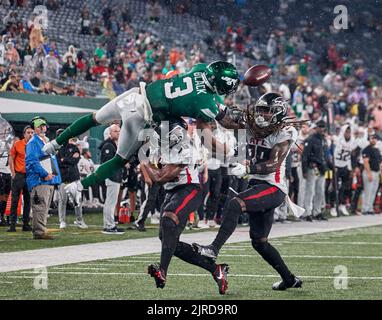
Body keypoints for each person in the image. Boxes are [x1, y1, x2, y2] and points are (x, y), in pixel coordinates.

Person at [42, 61, 241, 199]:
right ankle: (79, 187)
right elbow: (214, 126)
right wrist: (234, 144)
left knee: (94, 119)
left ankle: (54, 143)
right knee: (120, 159)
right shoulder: (206, 103)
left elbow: (203, 90)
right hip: (142, 115)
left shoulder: (199, 69)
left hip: (135, 94)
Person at [192, 93, 303, 291]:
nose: (261, 114)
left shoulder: (285, 133)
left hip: (272, 188)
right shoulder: (250, 126)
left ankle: (213, 249)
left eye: (266, 111)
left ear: (278, 112)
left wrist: (249, 169)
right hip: (257, 188)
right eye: (259, 110)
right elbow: (225, 118)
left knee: (235, 203)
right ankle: (289, 279)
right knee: (259, 242)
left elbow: (273, 163)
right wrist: (208, 103)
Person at [145, 118, 230, 294]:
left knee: (169, 221)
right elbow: (154, 176)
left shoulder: (186, 148)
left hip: (189, 189)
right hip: (171, 192)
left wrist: (144, 164)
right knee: (168, 240)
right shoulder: (159, 145)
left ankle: (162, 271)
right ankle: (215, 270)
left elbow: (160, 177)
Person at [26, 116, 61, 239]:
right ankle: (39, 232)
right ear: (34, 128)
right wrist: (45, 174)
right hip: (40, 179)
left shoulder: (45, 141)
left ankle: (41, 230)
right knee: (40, 206)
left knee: (44, 206)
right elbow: (31, 161)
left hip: (48, 179)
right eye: (39, 126)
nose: (42, 128)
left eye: (43, 125)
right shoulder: (33, 142)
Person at [57, 135, 88, 229]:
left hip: (74, 178)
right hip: (63, 178)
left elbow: (75, 160)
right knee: (62, 201)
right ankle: (62, 221)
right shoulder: (59, 150)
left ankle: (79, 220)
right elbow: (58, 162)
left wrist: (65, 159)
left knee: (77, 201)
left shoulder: (74, 148)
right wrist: (69, 159)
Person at [7, 125, 34, 232]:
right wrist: (13, 173)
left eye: (32, 132)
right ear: (24, 134)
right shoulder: (17, 144)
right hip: (19, 175)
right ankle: (12, 225)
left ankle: (26, 224)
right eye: (28, 132)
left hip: (30, 176)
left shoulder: (34, 145)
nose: (30, 134)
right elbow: (11, 157)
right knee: (15, 200)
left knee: (28, 201)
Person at [100, 124, 125, 234]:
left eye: (119, 131)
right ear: (110, 133)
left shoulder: (115, 145)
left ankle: (109, 224)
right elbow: (108, 162)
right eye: (115, 131)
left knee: (111, 202)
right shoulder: (108, 146)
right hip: (111, 176)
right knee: (110, 202)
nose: (118, 133)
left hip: (116, 176)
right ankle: (109, 225)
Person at [302, 120, 328, 221]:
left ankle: (317, 212)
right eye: (320, 127)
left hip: (321, 168)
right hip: (312, 167)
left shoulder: (324, 139)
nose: (322, 129)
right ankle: (307, 213)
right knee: (310, 191)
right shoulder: (311, 139)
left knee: (320, 191)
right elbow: (305, 155)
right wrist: (304, 170)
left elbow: (325, 154)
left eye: (323, 127)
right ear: (316, 128)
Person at [361, 134, 382, 215]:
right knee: (368, 191)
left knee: (373, 191)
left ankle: (370, 208)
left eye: (375, 138)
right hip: (369, 171)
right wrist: (369, 173)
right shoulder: (367, 149)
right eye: (372, 138)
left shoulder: (377, 150)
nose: (373, 140)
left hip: (376, 172)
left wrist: (380, 172)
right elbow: (366, 162)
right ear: (369, 139)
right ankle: (364, 209)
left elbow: (379, 162)